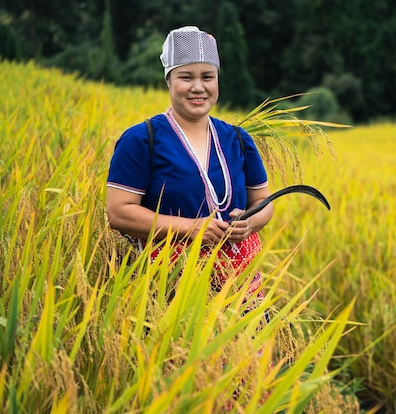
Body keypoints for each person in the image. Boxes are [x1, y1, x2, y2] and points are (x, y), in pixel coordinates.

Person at [106, 26, 273, 308]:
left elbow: (264, 203)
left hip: (239, 292)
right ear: (168, 81)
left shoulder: (237, 139)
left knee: (242, 352)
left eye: (208, 76)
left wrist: (249, 223)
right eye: (186, 77)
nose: (198, 87)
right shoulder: (141, 139)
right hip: (168, 292)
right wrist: (191, 228)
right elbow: (118, 212)